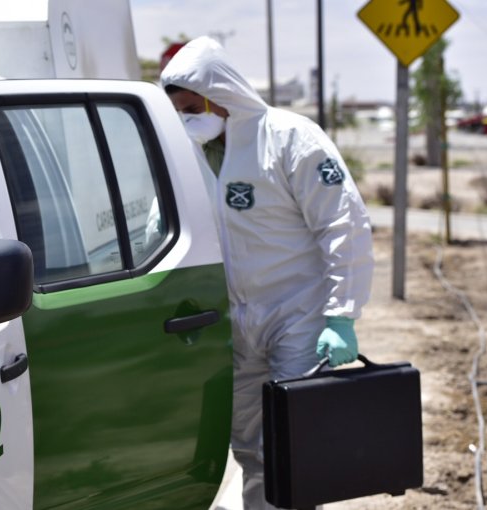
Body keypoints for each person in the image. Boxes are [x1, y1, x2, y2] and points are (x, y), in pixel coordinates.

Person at [161, 37, 374, 509]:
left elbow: (344, 224)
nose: (187, 119)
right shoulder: (186, 154)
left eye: (193, 107)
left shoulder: (289, 138)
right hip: (235, 321)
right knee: (250, 444)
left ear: (221, 95)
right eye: (178, 111)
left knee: (293, 445)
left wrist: (342, 315)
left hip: (298, 314)